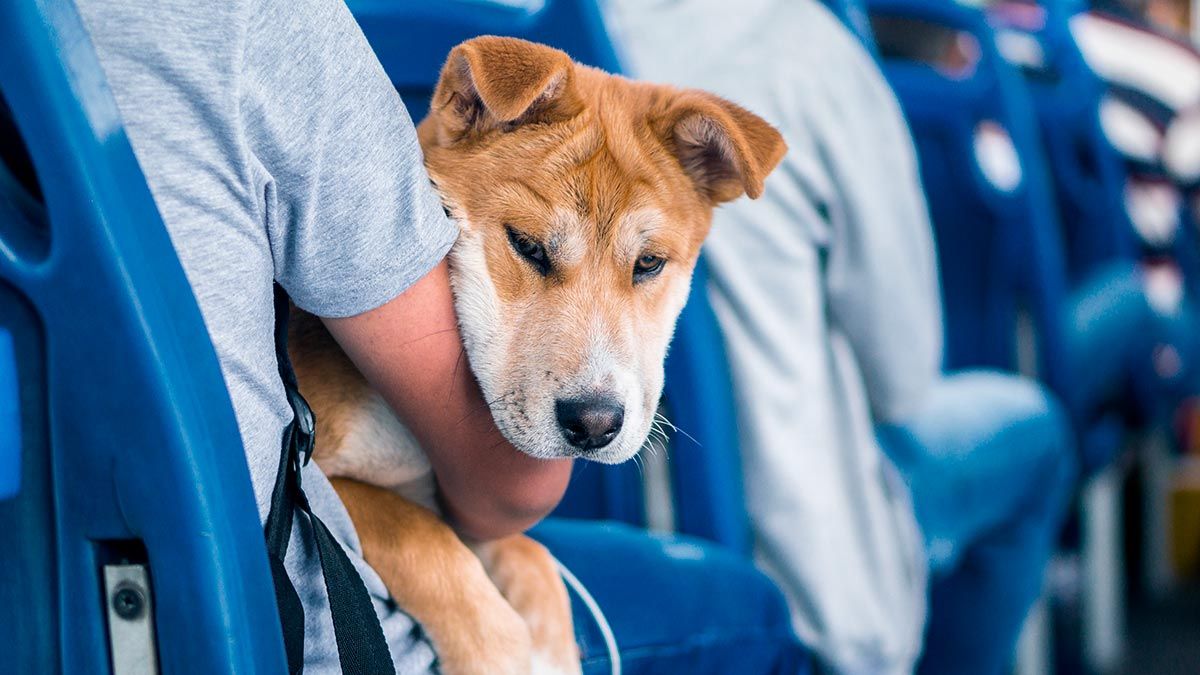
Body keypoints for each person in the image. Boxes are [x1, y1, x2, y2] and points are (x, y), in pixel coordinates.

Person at [72, 0, 806, 672]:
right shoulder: (260, 23)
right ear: (470, 108)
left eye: (646, 265)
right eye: (534, 251)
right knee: (756, 616)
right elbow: (493, 488)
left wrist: (515, 559)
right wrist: (468, 590)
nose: (593, 370)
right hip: (293, 620)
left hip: (71, 594)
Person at [600, 1, 1078, 673]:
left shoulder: (528, 51)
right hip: (799, 574)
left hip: (594, 564)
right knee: (1037, 432)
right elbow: (904, 378)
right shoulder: (806, 49)